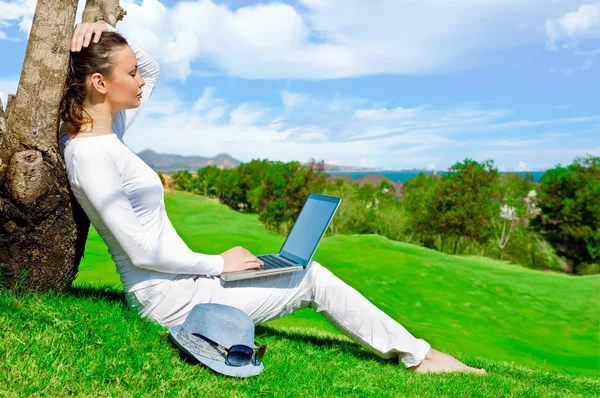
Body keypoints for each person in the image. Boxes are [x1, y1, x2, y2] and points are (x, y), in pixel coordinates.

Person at [59, 21, 486, 375]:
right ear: (100, 83)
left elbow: (152, 69)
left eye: (135, 72)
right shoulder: (89, 154)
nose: (140, 80)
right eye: (128, 74)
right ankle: (420, 359)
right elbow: (141, 250)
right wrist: (217, 264)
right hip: (168, 300)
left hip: (186, 284)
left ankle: (418, 353)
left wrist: (104, 29)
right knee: (312, 278)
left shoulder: (108, 132)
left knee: (300, 271)